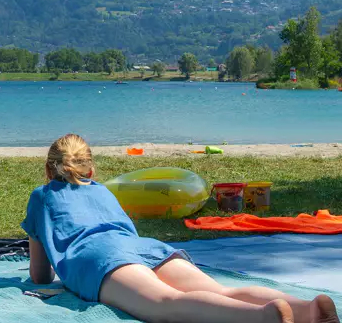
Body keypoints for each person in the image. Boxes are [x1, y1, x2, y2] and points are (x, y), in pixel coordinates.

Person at [22, 133, 338, 323]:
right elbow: (124, 233)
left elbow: (40, 275)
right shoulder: (102, 190)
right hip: (144, 248)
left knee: (165, 305)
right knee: (220, 290)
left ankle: (261, 318)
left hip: (100, 260)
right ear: (91, 169)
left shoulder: (41, 196)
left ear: (48, 169)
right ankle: (307, 310)